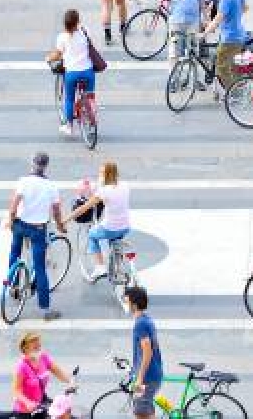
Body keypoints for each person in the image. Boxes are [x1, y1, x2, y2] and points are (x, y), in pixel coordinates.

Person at [4, 153, 67, 320]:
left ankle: (13, 285)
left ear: (32, 164)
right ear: (46, 166)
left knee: (15, 253)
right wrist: (60, 225)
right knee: (39, 268)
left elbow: (13, 206)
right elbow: (56, 211)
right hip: (38, 229)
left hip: (20, 225)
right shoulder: (51, 186)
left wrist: (11, 221)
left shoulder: (23, 182)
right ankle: (45, 310)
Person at [68, 161, 132, 282]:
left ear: (106, 175)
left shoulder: (104, 191)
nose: (99, 175)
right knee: (114, 240)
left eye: (101, 173)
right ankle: (117, 266)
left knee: (92, 235)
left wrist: (65, 220)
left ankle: (100, 267)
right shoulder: (125, 185)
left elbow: (83, 208)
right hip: (125, 226)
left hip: (110, 228)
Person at [48, 9, 96, 135]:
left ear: (65, 24)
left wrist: (48, 58)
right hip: (88, 71)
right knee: (90, 96)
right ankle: (91, 120)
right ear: (78, 21)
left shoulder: (62, 37)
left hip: (72, 73)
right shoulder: (85, 31)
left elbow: (57, 55)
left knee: (69, 99)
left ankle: (69, 126)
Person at [203, 0, 246, 93]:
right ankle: (239, 88)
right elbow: (245, 7)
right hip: (239, 34)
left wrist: (205, 32)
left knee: (221, 67)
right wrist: (234, 17)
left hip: (230, 37)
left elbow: (218, 18)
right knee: (233, 65)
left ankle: (232, 92)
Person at [123, 286, 164, 419]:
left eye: (126, 301)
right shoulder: (147, 320)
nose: (125, 304)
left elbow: (147, 352)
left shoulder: (140, 324)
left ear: (134, 305)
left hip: (147, 377)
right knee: (145, 411)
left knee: (140, 413)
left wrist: (140, 378)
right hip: (152, 373)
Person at [10, 332, 73, 415]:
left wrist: (70, 381)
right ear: (25, 348)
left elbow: (57, 371)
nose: (38, 349)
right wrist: (27, 402)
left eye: (39, 346)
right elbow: (16, 390)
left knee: (64, 412)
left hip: (41, 403)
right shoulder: (21, 367)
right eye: (35, 347)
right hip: (25, 410)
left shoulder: (43, 357)